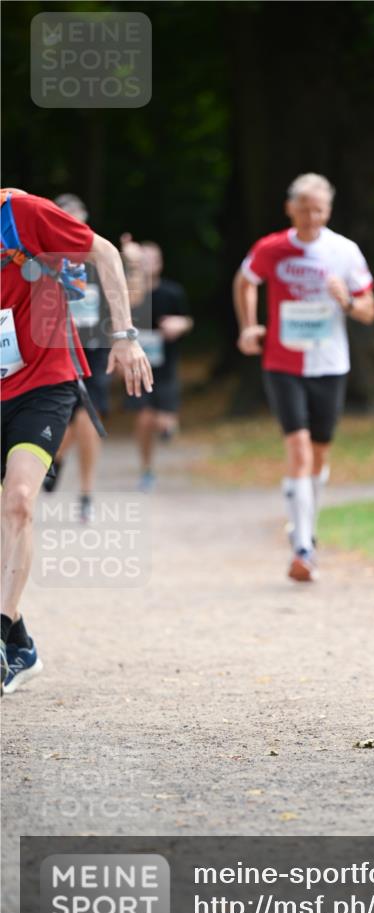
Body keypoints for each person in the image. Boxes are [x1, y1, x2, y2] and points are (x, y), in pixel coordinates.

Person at [1, 188, 152, 695]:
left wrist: (126, 337)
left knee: (20, 499)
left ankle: (2, 636)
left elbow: (104, 251)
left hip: (44, 382)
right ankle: (19, 636)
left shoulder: (18, 213)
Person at [233, 173, 374, 582]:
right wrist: (248, 325)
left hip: (330, 364)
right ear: (290, 209)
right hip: (282, 363)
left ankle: (306, 529)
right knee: (297, 452)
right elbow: (245, 280)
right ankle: (302, 547)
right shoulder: (272, 248)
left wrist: (346, 299)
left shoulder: (344, 251)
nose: (312, 217)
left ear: (328, 211)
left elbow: (369, 309)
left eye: (319, 210)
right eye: (304, 209)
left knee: (319, 456)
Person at [44, 194, 145, 521]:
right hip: (52, 351)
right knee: (63, 423)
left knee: (88, 418)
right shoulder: (41, 256)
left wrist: (134, 264)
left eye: (75, 222)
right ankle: (56, 457)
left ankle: (86, 492)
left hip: (93, 351)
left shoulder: (96, 257)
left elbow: (135, 297)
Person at [126, 241, 193, 491]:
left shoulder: (172, 292)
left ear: (160, 263)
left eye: (151, 259)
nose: (146, 264)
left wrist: (179, 324)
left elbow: (188, 321)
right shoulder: (128, 295)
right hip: (138, 368)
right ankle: (146, 470)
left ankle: (167, 427)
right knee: (144, 419)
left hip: (166, 368)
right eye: (141, 259)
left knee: (163, 422)